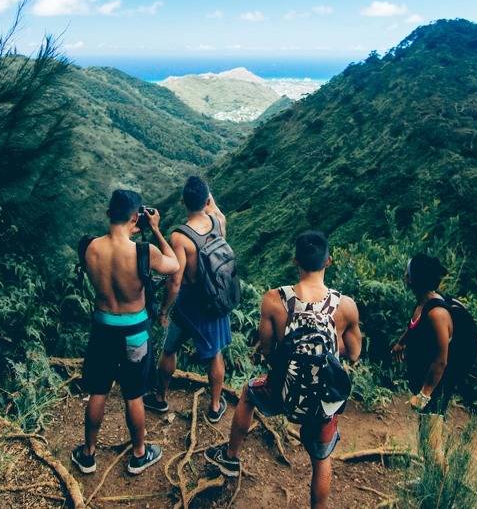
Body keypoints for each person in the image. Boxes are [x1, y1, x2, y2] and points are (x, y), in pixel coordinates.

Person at [205, 231, 362, 509]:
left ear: (295, 261)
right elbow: (354, 353)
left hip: (282, 389)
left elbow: (267, 349)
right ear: (328, 261)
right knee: (321, 459)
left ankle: (230, 457)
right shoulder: (346, 306)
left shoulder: (273, 300)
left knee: (248, 393)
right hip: (323, 400)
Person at [71, 189, 180, 476]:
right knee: (133, 394)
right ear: (135, 218)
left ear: (109, 214)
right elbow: (174, 265)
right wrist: (155, 229)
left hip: (102, 329)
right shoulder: (144, 252)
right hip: (135, 332)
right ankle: (139, 454)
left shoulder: (89, 248)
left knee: (98, 390)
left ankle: (88, 454)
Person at [143, 176, 232, 422]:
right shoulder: (219, 222)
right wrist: (207, 197)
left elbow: (175, 280)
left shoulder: (180, 237)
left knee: (170, 349)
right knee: (215, 354)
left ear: (183, 201)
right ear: (206, 200)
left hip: (187, 305)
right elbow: (214, 209)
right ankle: (215, 406)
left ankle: (160, 398)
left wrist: (164, 310)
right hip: (214, 301)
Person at [390, 253, 454, 468]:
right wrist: (401, 343)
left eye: (407, 273)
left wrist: (425, 394)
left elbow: (441, 360)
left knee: (432, 442)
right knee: (426, 436)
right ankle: (430, 479)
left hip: (435, 387)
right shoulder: (423, 303)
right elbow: (414, 325)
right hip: (425, 382)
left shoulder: (437, 314)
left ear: (415, 279)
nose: (405, 276)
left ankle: (438, 486)